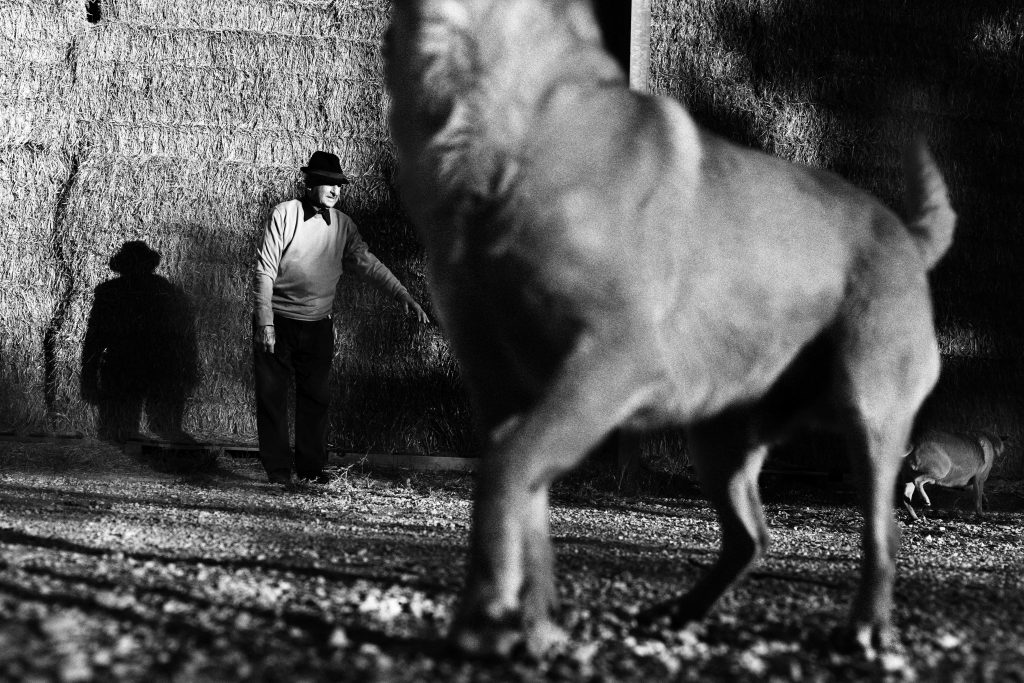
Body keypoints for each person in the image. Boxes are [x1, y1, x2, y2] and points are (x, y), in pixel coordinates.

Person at [253, 151, 429, 486]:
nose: (335, 190)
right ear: (309, 184)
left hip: (318, 325)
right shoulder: (285, 215)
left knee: (316, 399)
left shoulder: (344, 226)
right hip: (279, 321)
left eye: (339, 185)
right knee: (271, 398)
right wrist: (265, 322)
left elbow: (368, 263)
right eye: (328, 183)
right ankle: (277, 471)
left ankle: (310, 469)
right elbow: (264, 271)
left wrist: (401, 293)